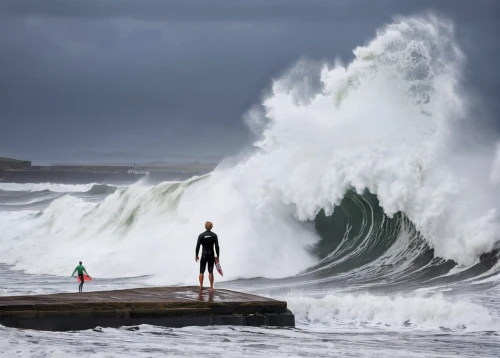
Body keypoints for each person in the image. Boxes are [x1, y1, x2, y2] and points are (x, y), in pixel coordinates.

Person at [195, 221, 220, 292]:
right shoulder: (214, 235)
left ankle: (201, 287)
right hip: (211, 254)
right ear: (211, 227)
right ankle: (211, 287)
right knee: (210, 271)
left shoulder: (201, 235)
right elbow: (217, 247)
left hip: (203, 255)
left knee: (201, 271)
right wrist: (217, 256)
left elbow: (197, 246)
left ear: (205, 226)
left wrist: (196, 255)